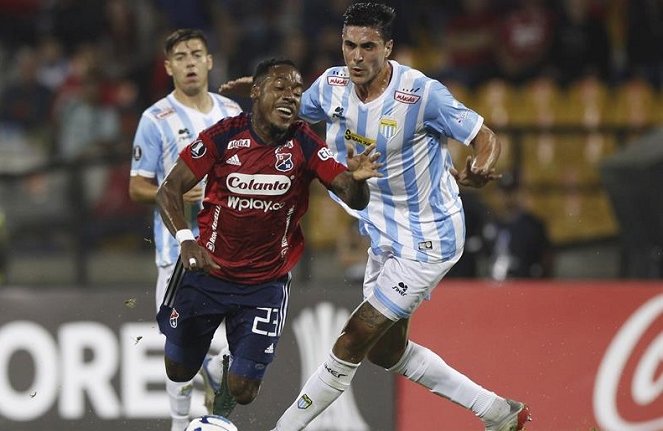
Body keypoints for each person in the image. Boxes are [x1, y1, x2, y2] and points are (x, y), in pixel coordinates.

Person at [263, 3, 530, 430]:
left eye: (368, 47)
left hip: (429, 237)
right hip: (382, 232)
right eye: (349, 45)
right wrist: (260, 97)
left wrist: (480, 167)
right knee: (385, 352)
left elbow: (484, 137)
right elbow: (289, 115)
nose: (356, 56)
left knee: (353, 338)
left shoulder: (421, 94)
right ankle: (498, 411)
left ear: (388, 47)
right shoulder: (332, 84)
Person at [154, 57, 382, 426]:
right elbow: (168, 190)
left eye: (297, 91)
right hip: (207, 273)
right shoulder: (223, 135)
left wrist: (358, 182)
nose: (291, 96)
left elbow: (351, 196)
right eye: (280, 87)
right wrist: (185, 239)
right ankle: (210, 368)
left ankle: (224, 384)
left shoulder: (304, 143)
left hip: (264, 284)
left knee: (244, 390)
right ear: (256, 92)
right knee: (177, 370)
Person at [128, 28, 242, 431]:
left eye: (196, 54)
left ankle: (213, 413)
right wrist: (172, 190)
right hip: (177, 253)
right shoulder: (155, 119)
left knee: (229, 353)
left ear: (209, 61)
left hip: (230, 251)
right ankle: (180, 424)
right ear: (168, 67)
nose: (189, 62)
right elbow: (136, 186)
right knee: (179, 345)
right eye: (180, 56)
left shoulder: (232, 113)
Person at [486, 171, 553, 280]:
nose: (508, 197)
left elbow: (546, 258)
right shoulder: (488, 222)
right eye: (504, 192)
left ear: (519, 193)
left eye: (512, 191)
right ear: (497, 194)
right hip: (490, 283)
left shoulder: (532, 225)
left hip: (524, 283)